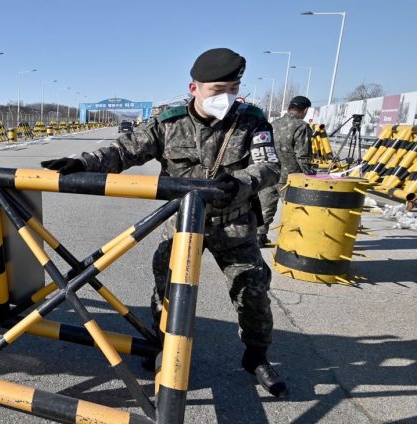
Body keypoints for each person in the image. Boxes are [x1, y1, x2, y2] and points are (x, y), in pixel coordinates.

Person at [40, 48, 288, 398]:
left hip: (234, 223)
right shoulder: (169, 124)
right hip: (184, 225)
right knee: (167, 291)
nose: (226, 97)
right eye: (218, 90)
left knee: (253, 292)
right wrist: (82, 163)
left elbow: (270, 167)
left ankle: (257, 356)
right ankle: (162, 348)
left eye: (233, 88)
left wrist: (241, 183)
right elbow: (124, 151)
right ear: (194, 88)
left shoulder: (252, 122)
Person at [257, 95, 314, 245]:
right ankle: (292, 240)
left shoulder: (273, 124)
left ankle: (258, 237)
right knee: (294, 209)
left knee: (265, 207)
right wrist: (309, 174)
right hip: (290, 176)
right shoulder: (301, 126)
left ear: (289, 107)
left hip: (269, 173)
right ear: (305, 110)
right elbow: (303, 154)